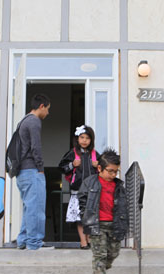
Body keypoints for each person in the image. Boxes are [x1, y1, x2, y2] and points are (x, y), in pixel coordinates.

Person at [77, 148, 128, 274]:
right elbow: (82, 199)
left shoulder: (119, 186)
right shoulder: (90, 182)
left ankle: (99, 270)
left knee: (113, 254)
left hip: (114, 224)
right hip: (97, 225)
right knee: (99, 256)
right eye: (110, 171)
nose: (113, 175)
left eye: (116, 172)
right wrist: (86, 216)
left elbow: (123, 205)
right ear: (99, 168)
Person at [15, 93, 53, 250]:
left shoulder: (23, 121)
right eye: (48, 109)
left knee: (28, 207)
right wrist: (40, 169)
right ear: (42, 106)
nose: (48, 113)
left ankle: (23, 240)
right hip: (31, 170)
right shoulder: (34, 121)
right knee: (36, 208)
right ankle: (34, 243)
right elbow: (36, 148)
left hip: (21, 172)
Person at [58, 125, 100, 249]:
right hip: (78, 190)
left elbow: (104, 170)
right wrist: (72, 164)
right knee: (80, 218)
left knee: (90, 217)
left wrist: (98, 165)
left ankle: (90, 240)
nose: (84, 140)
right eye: (82, 137)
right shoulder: (73, 153)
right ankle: (83, 241)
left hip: (92, 191)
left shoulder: (95, 154)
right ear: (77, 139)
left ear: (91, 140)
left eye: (87, 138)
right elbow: (61, 167)